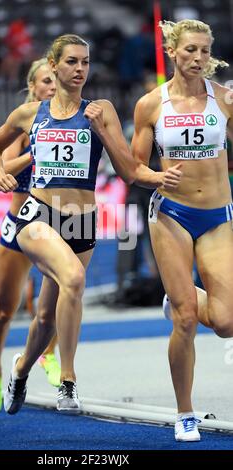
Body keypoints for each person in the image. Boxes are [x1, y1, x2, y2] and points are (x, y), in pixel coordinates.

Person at [0, 34, 136, 414]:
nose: (80, 69)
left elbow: (128, 171)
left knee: (47, 317)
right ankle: (67, 382)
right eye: (71, 62)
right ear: (53, 65)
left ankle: (20, 370)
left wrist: (102, 130)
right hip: (36, 215)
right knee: (74, 280)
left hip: (81, 223)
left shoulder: (101, 110)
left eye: (85, 62)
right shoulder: (30, 113)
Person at [131, 19, 233, 442]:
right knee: (188, 320)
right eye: (190, 50)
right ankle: (185, 413)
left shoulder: (225, 99)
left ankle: (182, 298)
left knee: (226, 323)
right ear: (173, 52)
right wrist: (156, 177)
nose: (197, 58)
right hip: (171, 214)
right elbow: (134, 168)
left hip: (217, 216)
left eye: (204, 51)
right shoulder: (150, 105)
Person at [0, 58, 61, 413]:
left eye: (55, 79)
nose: (53, 86)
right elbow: (2, 160)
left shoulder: (69, 118)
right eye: (46, 81)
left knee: (61, 294)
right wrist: (35, 153)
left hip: (55, 223)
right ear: (33, 87)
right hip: (19, 225)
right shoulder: (27, 119)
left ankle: (48, 355)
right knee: (3, 311)